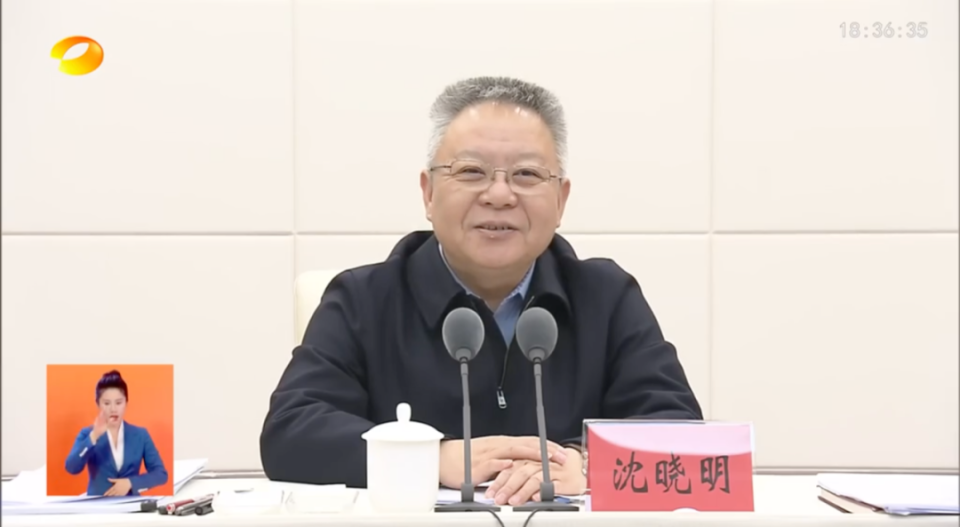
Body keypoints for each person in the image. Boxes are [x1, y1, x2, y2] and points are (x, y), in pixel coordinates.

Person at [261, 76, 703, 506]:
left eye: (527, 174)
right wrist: (432, 458)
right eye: (471, 171)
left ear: (561, 200)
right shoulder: (363, 299)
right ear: (429, 193)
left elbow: (682, 436)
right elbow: (291, 432)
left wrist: (588, 465)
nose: (499, 194)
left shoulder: (606, 297)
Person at [65, 370, 168, 496]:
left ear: (126, 403)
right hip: (98, 505)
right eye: (107, 403)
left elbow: (160, 474)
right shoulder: (87, 434)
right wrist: (94, 436)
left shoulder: (141, 435)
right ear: (98, 404)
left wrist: (131, 483)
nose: (113, 409)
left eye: (118, 403)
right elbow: (71, 468)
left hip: (131, 504)